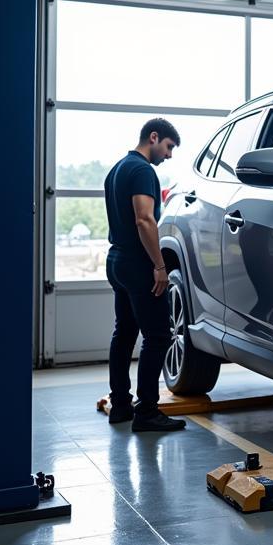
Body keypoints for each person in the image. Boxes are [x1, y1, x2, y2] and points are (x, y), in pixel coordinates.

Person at [103, 118, 186, 432]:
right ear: (154, 137)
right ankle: (147, 411)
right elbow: (144, 220)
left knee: (124, 333)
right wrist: (160, 266)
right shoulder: (142, 170)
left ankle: (121, 406)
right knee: (159, 336)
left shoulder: (117, 170)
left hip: (117, 259)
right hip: (139, 263)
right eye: (168, 147)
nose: (168, 156)